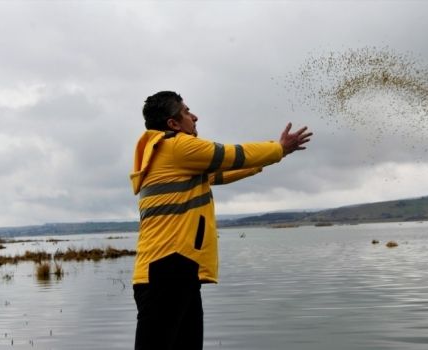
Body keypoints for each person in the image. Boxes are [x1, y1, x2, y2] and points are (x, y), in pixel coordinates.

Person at [129, 91, 312, 349]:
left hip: (178, 269)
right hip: (166, 268)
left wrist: (274, 156)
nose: (194, 117)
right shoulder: (177, 147)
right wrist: (278, 148)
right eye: (186, 112)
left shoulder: (176, 161)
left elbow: (225, 171)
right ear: (173, 123)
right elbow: (230, 154)